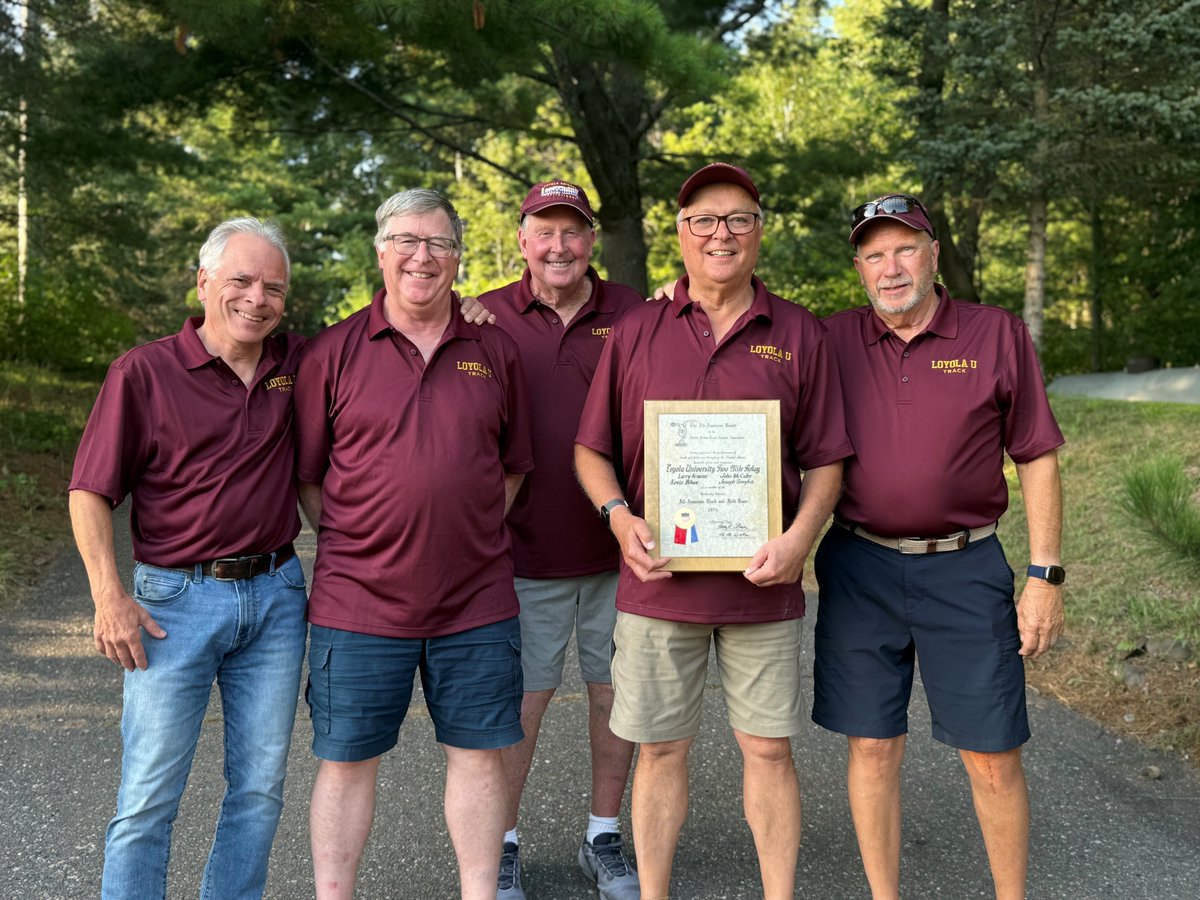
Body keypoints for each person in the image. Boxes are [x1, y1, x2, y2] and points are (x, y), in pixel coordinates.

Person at [573, 163, 853, 900]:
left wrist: (800, 541)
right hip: (659, 585)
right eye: (704, 219)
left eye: (737, 219)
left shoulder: (798, 332)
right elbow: (590, 448)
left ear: (760, 231)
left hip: (764, 584)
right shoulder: (637, 328)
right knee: (661, 749)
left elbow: (827, 460)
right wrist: (618, 516)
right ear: (681, 232)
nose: (720, 234)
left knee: (768, 750)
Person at [813, 193, 1065, 900]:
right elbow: (747, 325)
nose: (889, 268)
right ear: (858, 268)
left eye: (903, 249)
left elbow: (1037, 455)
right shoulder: (830, 338)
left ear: (932, 254)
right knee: (870, 744)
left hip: (966, 564)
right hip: (859, 563)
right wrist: (681, 295)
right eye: (873, 254)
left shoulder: (996, 334)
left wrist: (1045, 576)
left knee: (992, 755)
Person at [293, 188, 533, 900]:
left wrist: (464, 526)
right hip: (357, 602)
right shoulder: (332, 351)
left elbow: (513, 466)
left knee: (481, 758)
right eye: (406, 240)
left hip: (476, 600)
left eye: (438, 243)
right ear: (380, 251)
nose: (421, 256)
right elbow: (311, 480)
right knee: (345, 762)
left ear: (458, 258)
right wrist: (366, 537)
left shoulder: (494, 349)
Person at [69, 218, 309, 900]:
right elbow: (90, 490)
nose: (256, 299)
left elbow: (384, 339)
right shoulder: (143, 372)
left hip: (275, 598)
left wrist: (466, 308)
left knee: (260, 790)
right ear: (203, 282)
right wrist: (108, 596)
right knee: (149, 794)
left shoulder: (297, 364)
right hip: (172, 604)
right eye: (240, 281)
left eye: (273, 287)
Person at [476, 180, 644, 899]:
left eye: (572, 231)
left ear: (591, 242)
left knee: (618, 697)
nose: (558, 246)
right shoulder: (481, 316)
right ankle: (502, 841)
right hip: (522, 551)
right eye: (544, 231)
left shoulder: (639, 312)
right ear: (521, 240)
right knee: (523, 703)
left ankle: (603, 834)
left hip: (625, 547)